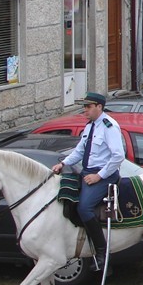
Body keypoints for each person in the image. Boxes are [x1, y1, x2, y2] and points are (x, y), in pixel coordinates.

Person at [52, 92, 125, 270]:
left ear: (99, 107)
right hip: (87, 172)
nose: (85, 110)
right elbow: (79, 151)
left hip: (104, 175)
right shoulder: (90, 126)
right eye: (84, 106)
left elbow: (118, 156)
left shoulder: (109, 127)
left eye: (88, 106)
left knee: (84, 208)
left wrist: (99, 176)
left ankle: (101, 251)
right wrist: (63, 163)